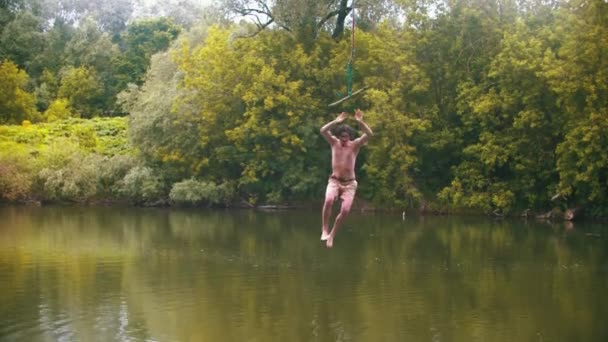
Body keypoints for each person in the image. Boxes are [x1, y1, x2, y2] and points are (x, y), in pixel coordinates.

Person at [320, 109, 373, 248]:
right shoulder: (334, 143)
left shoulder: (354, 145)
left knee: (345, 211)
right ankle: (324, 229)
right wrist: (335, 122)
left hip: (350, 184)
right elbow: (323, 130)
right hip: (334, 181)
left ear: (350, 137)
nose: (344, 139)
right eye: (342, 136)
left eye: (346, 137)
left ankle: (332, 235)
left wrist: (361, 122)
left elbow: (369, 134)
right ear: (339, 136)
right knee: (329, 199)